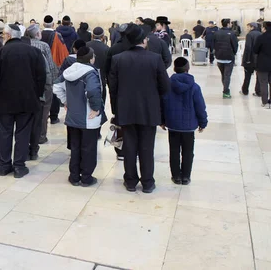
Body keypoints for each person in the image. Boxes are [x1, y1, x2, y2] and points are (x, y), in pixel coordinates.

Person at [108, 24, 170, 194]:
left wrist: (116, 110)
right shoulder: (155, 59)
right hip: (149, 110)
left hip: (125, 110)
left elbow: (112, 88)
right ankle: (148, 183)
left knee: (129, 147)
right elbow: (165, 87)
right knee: (147, 147)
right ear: (144, 40)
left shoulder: (118, 59)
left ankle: (130, 181)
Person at [0, 24, 46, 178]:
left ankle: (4, 166)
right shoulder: (34, 52)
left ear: (8, 36)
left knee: (4, 134)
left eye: (5, 35)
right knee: (23, 134)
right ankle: (19, 166)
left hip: (3, 102)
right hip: (26, 101)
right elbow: (41, 77)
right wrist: (36, 94)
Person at [53, 46, 106, 187]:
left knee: (75, 147)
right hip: (88, 118)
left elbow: (56, 86)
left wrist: (65, 101)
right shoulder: (90, 73)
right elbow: (93, 90)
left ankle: (74, 176)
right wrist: (95, 108)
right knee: (88, 148)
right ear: (90, 59)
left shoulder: (68, 71)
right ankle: (86, 177)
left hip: (72, 117)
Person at [161, 57, 208, 185]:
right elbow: (200, 106)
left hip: (172, 124)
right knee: (188, 152)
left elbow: (162, 104)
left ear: (175, 69)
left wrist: (162, 120)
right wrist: (203, 122)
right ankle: (186, 176)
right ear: (188, 69)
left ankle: (176, 176)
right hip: (189, 126)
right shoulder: (195, 87)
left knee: (174, 151)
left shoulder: (167, 86)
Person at [25, 24, 56, 158]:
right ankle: (41, 136)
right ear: (37, 34)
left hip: (28, 82)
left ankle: (29, 136)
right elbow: (49, 64)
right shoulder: (43, 46)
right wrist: (54, 80)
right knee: (44, 110)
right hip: (44, 81)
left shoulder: (25, 45)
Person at [41, 15, 68, 126]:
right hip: (54, 68)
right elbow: (63, 53)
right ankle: (53, 117)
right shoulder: (58, 36)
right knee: (54, 92)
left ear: (43, 24)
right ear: (53, 24)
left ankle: (42, 116)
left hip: (39, 68)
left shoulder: (38, 34)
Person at [253, 21, 271, 109]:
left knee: (263, 83)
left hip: (262, 64)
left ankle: (265, 102)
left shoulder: (260, 38)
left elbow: (255, 50)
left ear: (264, 28)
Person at [213, 18, 238, 99]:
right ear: (228, 24)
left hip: (219, 57)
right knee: (227, 75)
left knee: (223, 75)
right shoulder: (231, 33)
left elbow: (213, 44)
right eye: (230, 23)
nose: (231, 24)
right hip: (228, 57)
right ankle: (226, 92)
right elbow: (235, 46)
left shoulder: (216, 33)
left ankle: (225, 89)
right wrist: (234, 53)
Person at [87, 27, 110, 103]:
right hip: (101, 78)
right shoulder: (106, 48)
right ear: (103, 37)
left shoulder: (86, 45)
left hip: (86, 78)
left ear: (92, 36)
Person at [241, 22, 261, 97]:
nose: (247, 28)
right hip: (259, 58)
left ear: (252, 27)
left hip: (250, 58)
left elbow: (248, 47)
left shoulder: (249, 35)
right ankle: (258, 91)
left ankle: (245, 90)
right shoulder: (260, 34)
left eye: (248, 27)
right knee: (259, 76)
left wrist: (247, 59)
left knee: (247, 76)